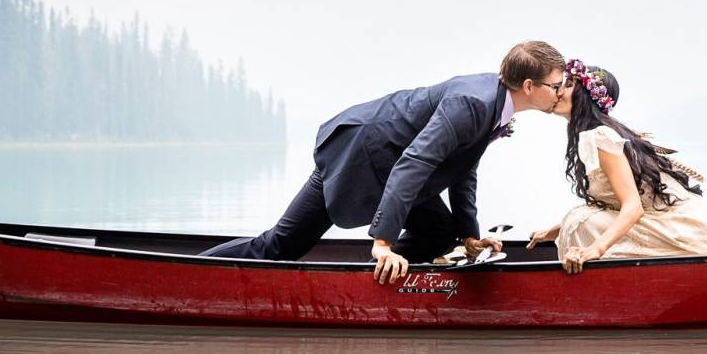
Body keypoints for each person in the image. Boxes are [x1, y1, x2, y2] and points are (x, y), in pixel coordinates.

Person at [203, 41, 569, 284]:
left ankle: (370, 282)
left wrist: (469, 234)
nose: (560, 92)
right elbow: (416, 162)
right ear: (528, 86)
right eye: (556, 85)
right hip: (361, 153)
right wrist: (382, 242)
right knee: (281, 246)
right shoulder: (472, 103)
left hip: (390, 163)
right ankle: (197, 274)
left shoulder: (494, 104)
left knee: (441, 233)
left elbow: (463, 169)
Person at [529, 59, 707, 274]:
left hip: (670, 227)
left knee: (580, 222)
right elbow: (611, 203)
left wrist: (593, 250)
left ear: (586, 96)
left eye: (568, 85)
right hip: (650, 220)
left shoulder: (600, 137)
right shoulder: (586, 135)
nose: (558, 91)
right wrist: (553, 232)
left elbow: (632, 207)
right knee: (576, 218)